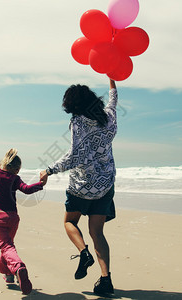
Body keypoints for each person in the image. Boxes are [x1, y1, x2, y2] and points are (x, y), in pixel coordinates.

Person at [40, 78, 118, 296]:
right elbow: (113, 99)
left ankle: (84, 253)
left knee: (69, 222)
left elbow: (75, 156)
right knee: (97, 233)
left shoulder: (78, 122)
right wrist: (112, 79)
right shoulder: (109, 117)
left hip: (81, 186)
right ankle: (106, 280)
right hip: (105, 186)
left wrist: (49, 170)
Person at [0, 148, 45, 295]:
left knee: (6, 248)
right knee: (8, 247)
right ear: (15, 169)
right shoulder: (15, 179)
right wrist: (41, 184)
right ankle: (8, 276)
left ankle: (19, 267)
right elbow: (26, 190)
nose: (18, 172)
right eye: (18, 169)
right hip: (13, 218)